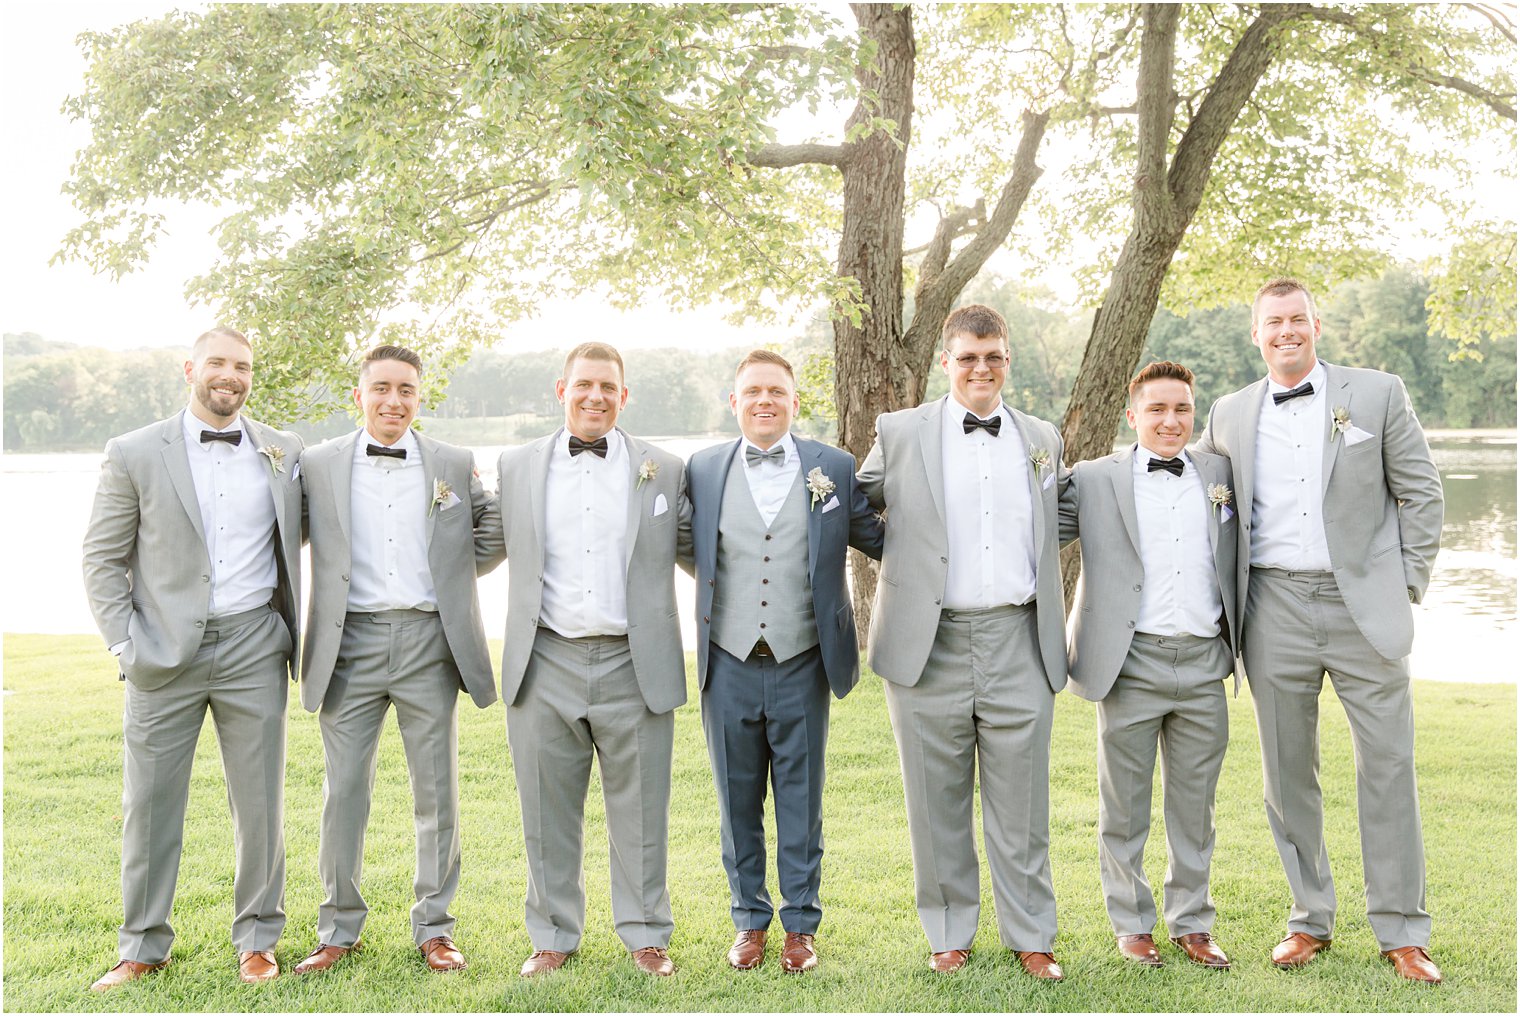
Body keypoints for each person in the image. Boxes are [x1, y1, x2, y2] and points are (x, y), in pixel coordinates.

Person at [1196, 278, 1444, 983]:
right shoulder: (1229, 412)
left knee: (1389, 767)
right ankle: (1310, 919)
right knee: (1287, 773)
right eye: (1272, 322)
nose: (1286, 331)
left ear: (1317, 324)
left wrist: (1406, 582)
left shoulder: (1378, 394)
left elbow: (1422, 491)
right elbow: (1197, 497)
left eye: (1297, 319)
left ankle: (1401, 931)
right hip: (1270, 606)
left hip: (1364, 604)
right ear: (1255, 333)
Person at [82, 327, 304, 989]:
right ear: (190, 369)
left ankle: (259, 941)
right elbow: (100, 558)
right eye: (217, 364)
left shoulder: (284, 450)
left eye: (241, 367)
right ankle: (143, 946)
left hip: (253, 647)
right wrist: (126, 644)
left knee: (260, 804)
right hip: (162, 652)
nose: (229, 376)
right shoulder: (133, 452)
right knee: (150, 803)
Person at [857, 305, 1069, 979]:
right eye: (969, 357)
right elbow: (857, 506)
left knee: (1023, 803)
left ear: (1008, 361)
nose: (982, 368)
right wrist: (904, 559)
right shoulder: (900, 431)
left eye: (995, 356)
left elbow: (1056, 515)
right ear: (946, 362)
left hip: (1019, 636)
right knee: (934, 800)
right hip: (929, 640)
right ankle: (949, 932)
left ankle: (1031, 935)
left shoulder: (1042, 436)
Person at [292, 344, 500, 976]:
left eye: (406, 390)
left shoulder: (453, 463)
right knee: (344, 790)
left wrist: (451, 575)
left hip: (427, 643)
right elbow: (280, 533)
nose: (393, 401)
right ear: (359, 395)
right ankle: (338, 930)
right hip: (346, 643)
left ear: (419, 395)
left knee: (436, 792)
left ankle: (435, 928)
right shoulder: (317, 464)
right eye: (380, 388)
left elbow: (489, 530)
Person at [485, 342, 687, 978]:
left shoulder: (667, 467)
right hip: (545, 658)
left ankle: (647, 933)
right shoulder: (516, 465)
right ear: (560, 389)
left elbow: (706, 549)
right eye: (583, 385)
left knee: (642, 808)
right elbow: (480, 544)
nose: (595, 396)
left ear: (624, 396)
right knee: (545, 811)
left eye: (608, 386)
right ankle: (552, 935)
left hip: (637, 660)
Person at [681, 350, 884, 974]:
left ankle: (801, 926)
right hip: (729, 659)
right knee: (735, 799)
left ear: (795, 402)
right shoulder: (704, 468)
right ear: (733, 401)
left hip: (804, 658)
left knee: (801, 796)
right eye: (752, 392)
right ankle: (749, 922)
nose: (764, 401)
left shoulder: (835, 467)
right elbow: (686, 546)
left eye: (776, 391)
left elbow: (881, 537)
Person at [1058, 361, 1238, 970]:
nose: (1170, 420)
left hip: (1204, 662)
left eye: (1181, 409)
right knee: (1124, 805)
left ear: (1194, 412)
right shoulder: (1092, 478)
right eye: (1156, 410)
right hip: (1128, 663)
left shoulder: (1220, 474)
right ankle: (1131, 924)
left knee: (1196, 807)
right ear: (1133, 416)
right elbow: (1024, 531)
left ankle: (1192, 922)